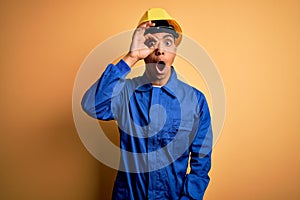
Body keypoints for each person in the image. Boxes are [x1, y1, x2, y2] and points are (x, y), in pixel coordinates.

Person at [81, 8, 213, 200]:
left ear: (175, 50)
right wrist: (131, 57)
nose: (160, 50)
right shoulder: (125, 93)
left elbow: (201, 162)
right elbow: (91, 105)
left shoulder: (195, 101)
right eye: (151, 43)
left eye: (168, 42)